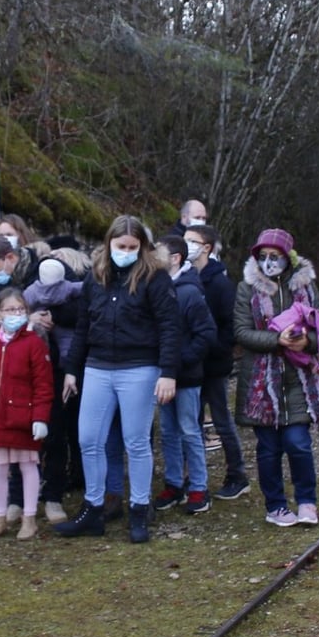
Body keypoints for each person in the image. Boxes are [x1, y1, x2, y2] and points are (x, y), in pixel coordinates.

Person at [54, 215, 180, 544]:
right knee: (88, 440)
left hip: (139, 366)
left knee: (136, 442)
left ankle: (139, 508)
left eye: (132, 247)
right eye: (120, 246)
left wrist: (168, 373)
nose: (125, 251)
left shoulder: (155, 278)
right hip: (97, 366)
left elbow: (169, 327)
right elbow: (83, 326)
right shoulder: (96, 278)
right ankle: (93, 508)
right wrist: (72, 368)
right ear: (109, 244)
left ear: (142, 248)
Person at [235, 229, 319, 528]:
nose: (268, 262)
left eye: (274, 257)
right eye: (262, 257)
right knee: (268, 448)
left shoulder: (306, 287)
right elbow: (241, 332)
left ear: (287, 258)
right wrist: (278, 340)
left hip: (299, 379)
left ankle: (307, 502)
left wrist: (306, 342)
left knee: (298, 442)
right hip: (261, 384)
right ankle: (275, 505)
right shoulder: (246, 288)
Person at [0, 287, 54, 540]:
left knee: (28, 466)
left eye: (20, 309)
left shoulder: (33, 344)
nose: (16, 314)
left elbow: (43, 384)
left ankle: (29, 519)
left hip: (23, 417)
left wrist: (40, 417)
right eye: (10, 309)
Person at [152, 232, 217, 515]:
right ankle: (174, 483)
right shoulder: (157, 289)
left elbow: (206, 333)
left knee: (190, 430)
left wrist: (183, 362)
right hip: (163, 375)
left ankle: (199, 487)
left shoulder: (190, 292)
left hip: (187, 377)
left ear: (175, 258)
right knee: (168, 431)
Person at [183, 224, 249, 500]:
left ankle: (237, 474)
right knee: (191, 423)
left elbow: (229, 325)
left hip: (213, 364)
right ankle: (194, 479)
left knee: (221, 421)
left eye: (192, 241)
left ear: (206, 247)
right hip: (191, 364)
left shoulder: (220, 283)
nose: (186, 245)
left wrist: (213, 350)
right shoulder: (184, 277)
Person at [27, 249, 89, 523]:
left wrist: (52, 315)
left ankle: (74, 477)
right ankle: (52, 484)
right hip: (46, 366)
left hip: (68, 365)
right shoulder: (30, 292)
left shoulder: (74, 288)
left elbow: (82, 309)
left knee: (74, 428)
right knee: (53, 431)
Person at [0, 213, 45, 287]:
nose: (4, 238)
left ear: (21, 235)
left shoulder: (38, 258)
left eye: (9, 235)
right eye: (1, 235)